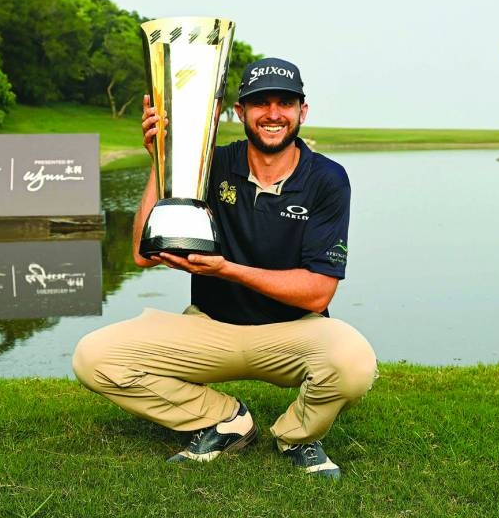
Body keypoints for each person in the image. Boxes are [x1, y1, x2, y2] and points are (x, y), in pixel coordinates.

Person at [73, 57, 377, 479]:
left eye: (284, 103)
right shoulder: (209, 164)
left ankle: (298, 436)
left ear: (301, 112)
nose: (273, 114)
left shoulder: (327, 178)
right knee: (94, 357)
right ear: (240, 112)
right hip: (210, 327)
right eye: (260, 103)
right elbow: (145, 253)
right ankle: (225, 420)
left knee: (354, 363)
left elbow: (317, 293)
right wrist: (160, 158)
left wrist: (226, 269)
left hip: (294, 331)